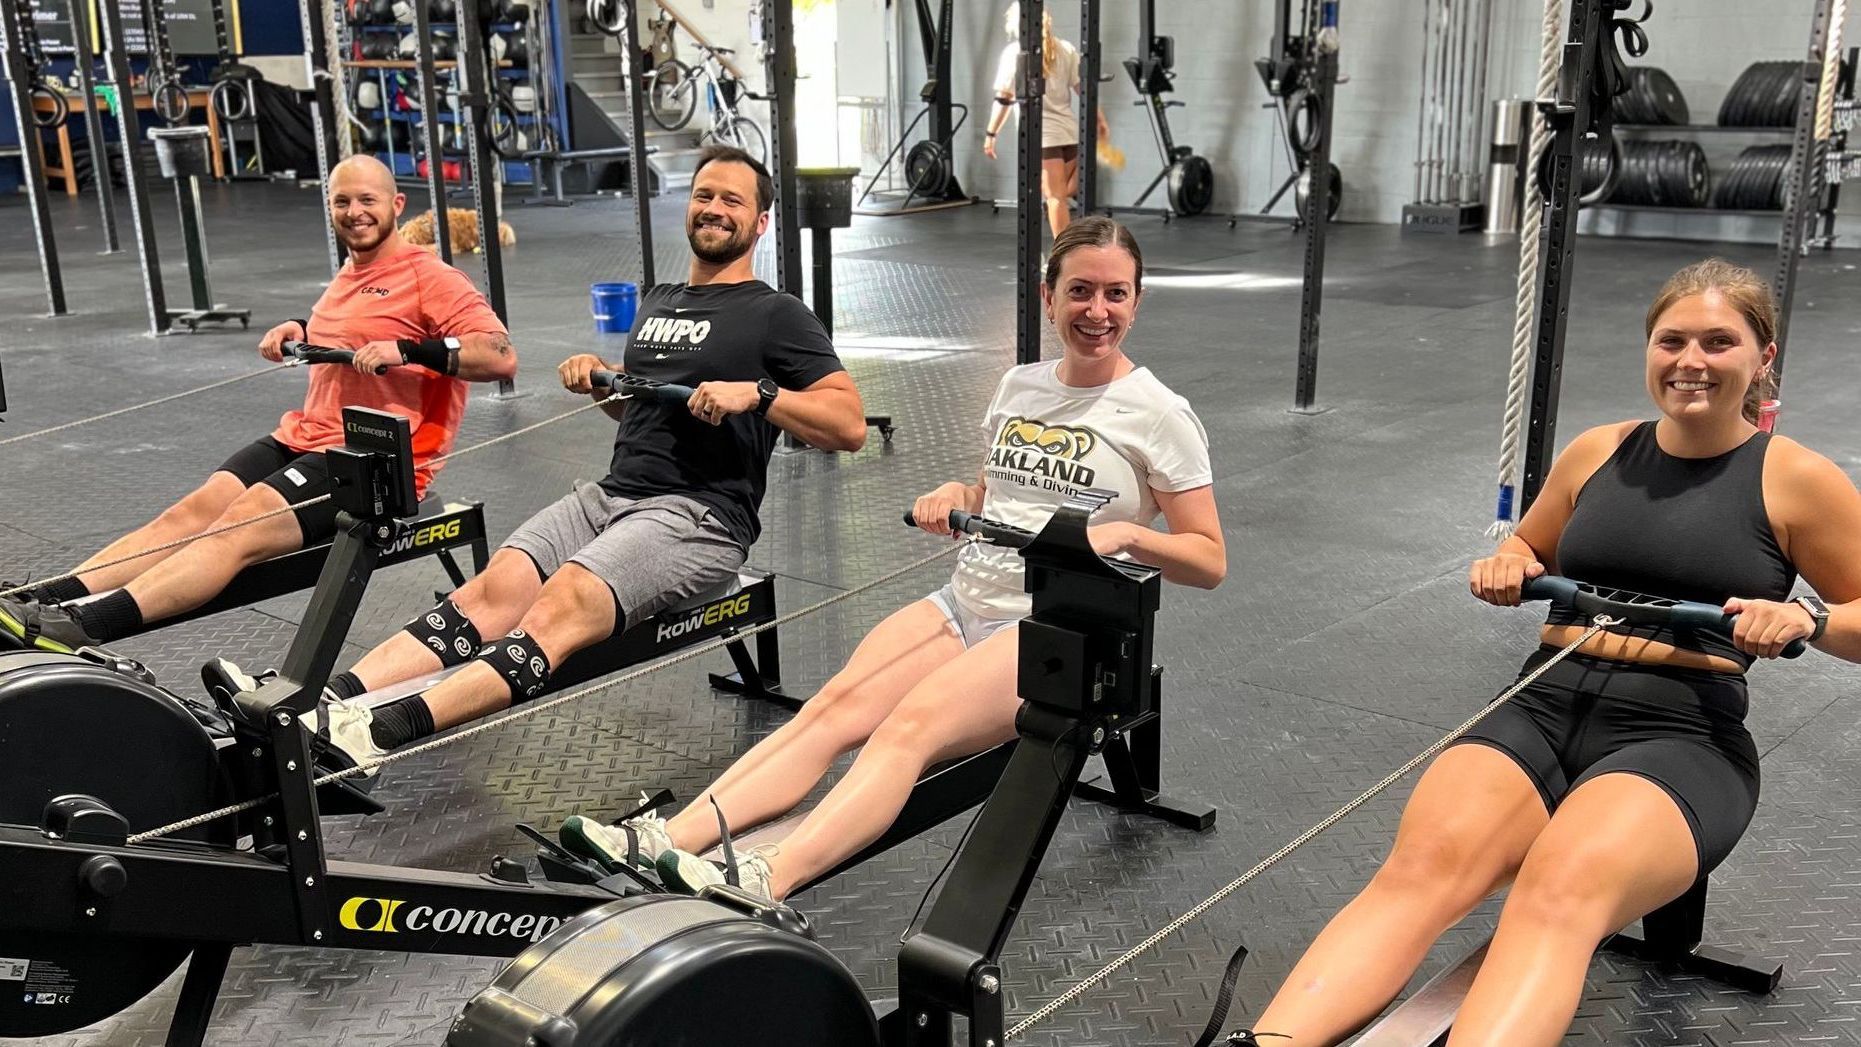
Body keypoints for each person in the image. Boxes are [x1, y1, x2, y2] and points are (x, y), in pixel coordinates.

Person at [1232, 259, 1861, 1047]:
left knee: (1556, 891)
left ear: (1761, 357)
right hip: (1541, 705)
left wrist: (1805, 617)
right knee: (1419, 870)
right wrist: (1510, 562)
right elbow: (1534, 544)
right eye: (1670, 340)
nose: (1689, 360)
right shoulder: (1598, 450)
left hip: (1681, 736)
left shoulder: (1798, 480)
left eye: (1717, 341)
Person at [557, 215, 1226, 902]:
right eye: (1080, 290)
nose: (1096, 311)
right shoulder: (1020, 386)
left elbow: (1207, 558)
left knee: (909, 727)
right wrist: (956, 492)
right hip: (968, 599)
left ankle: (768, 873)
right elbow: (996, 494)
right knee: (832, 708)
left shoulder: (1156, 413)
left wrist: (1126, 536)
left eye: (1116, 294)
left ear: (1136, 302)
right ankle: (670, 837)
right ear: (1047, 294)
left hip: (1058, 627)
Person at [301, 145, 867, 770]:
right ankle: (322, 706)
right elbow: (636, 412)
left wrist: (757, 395)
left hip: (699, 516)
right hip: (611, 496)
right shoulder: (660, 299)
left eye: (733, 200)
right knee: (493, 589)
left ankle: (375, 738)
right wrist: (606, 383)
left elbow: (847, 425)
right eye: (704, 195)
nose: (713, 209)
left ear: (759, 223)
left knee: (561, 600)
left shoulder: (775, 314)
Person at [1, 155, 517, 654]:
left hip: (375, 459)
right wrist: (301, 329)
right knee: (191, 513)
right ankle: (38, 600)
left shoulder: (430, 276)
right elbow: (358, 324)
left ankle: (82, 624)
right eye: (342, 201)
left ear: (396, 203)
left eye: (367, 200)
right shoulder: (350, 271)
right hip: (303, 435)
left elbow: (500, 356)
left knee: (238, 523)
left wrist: (406, 351)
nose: (355, 211)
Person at [982, 1, 1109, 240]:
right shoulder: (1066, 49)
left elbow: (1003, 100)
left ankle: (1063, 255)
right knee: (1064, 192)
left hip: (1044, 137)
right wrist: (1100, 121)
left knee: (1055, 198)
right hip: (1069, 133)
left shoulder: (1015, 54)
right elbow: (1085, 92)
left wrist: (991, 134)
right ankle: (1075, 247)